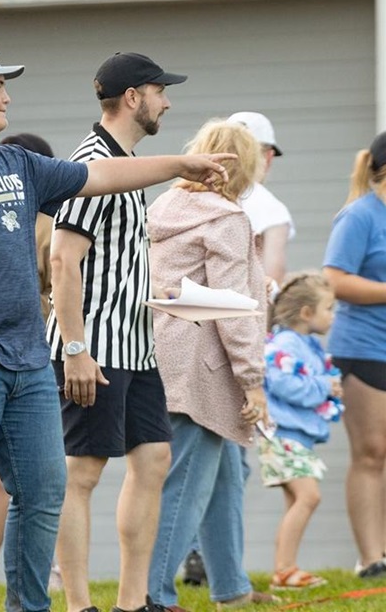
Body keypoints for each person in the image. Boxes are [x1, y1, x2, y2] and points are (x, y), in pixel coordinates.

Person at [0, 41, 234, 612]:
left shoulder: (16, 165)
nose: (7, 95)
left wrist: (181, 166)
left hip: (28, 363)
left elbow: (101, 174)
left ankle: (30, 606)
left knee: (43, 493)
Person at [45, 51, 184, 612]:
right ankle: (79, 605)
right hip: (93, 347)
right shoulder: (90, 163)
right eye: (160, 91)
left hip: (136, 345)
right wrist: (76, 349)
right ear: (134, 98)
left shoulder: (129, 163)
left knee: (153, 460)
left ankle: (133, 603)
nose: (167, 101)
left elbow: (116, 258)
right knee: (81, 474)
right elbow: (62, 260)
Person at [145, 119, 279, 611]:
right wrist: (253, 382)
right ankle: (151, 594)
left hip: (170, 352)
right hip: (207, 366)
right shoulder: (225, 217)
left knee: (223, 477)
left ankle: (232, 589)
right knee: (185, 484)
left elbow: (192, 285)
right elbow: (229, 306)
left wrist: (252, 286)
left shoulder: (166, 206)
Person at [0, 132, 61, 593]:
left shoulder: (47, 225)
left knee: (39, 479)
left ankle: (46, 574)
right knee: (8, 481)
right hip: (6, 359)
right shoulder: (4, 219)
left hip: (35, 359)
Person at [323, 130, 386, 580]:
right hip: (364, 349)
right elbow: (335, 280)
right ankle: (371, 559)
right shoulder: (360, 215)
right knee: (371, 452)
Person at [257, 272, 342, 590]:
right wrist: (325, 385)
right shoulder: (283, 344)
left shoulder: (307, 344)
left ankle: (286, 568)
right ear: (307, 313)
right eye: (329, 308)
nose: (333, 315)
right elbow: (285, 384)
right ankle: (284, 569)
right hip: (283, 437)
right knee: (309, 497)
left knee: (297, 501)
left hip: (297, 437)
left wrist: (328, 387)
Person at [228, 111, 295, 286]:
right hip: (243, 308)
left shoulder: (189, 191)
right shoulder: (271, 208)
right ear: (268, 156)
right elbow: (272, 280)